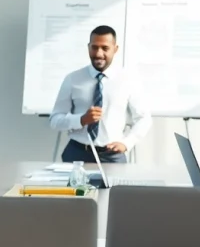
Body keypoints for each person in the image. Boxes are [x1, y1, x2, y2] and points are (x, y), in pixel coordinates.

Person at [49, 25, 152, 163]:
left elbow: (143, 118)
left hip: (112, 155)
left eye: (105, 48)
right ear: (88, 47)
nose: (98, 53)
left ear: (115, 49)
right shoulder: (72, 79)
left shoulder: (128, 80)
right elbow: (55, 120)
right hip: (77, 154)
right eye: (94, 47)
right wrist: (81, 120)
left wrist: (126, 143)